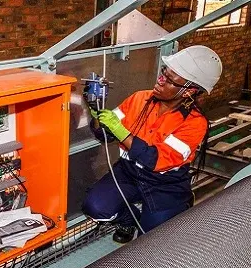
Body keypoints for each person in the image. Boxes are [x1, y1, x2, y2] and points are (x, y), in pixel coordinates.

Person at [82, 45, 222, 243]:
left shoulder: (194, 123)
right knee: (95, 207)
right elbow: (106, 135)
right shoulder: (140, 99)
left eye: (170, 79)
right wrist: (97, 116)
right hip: (128, 172)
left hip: (164, 184)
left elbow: (155, 159)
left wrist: (121, 132)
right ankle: (128, 220)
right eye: (164, 72)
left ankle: (172, 211)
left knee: (151, 241)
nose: (161, 79)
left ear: (188, 92)